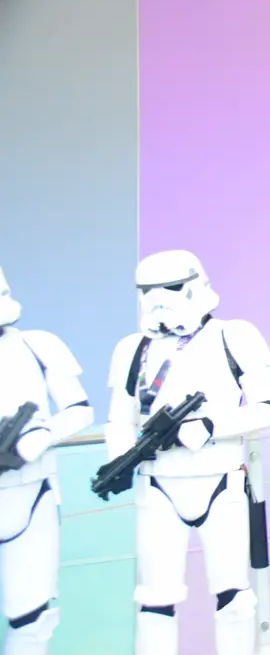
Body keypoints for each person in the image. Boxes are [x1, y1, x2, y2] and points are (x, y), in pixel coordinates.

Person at [101, 250, 270, 655]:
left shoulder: (234, 336)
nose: (159, 299)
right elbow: (119, 418)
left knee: (234, 599)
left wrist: (211, 425)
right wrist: (121, 459)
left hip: (220, 481)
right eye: (148, 291)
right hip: (158, 485)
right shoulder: (133, 349)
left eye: (171, 288)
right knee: (154, 602)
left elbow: (269, 408)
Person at [0, 266, 93, 655]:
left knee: (32, 622)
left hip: (29, 492)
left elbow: (79, 409)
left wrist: (42, 435)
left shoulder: (36, 346)